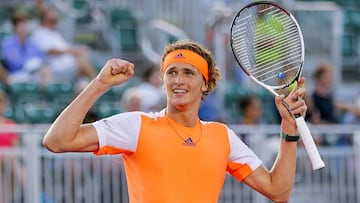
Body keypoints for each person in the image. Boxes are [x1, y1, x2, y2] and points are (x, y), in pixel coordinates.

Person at [43, 40, 307, 203]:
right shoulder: (137, 125)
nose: (178, 80)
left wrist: (288, 128)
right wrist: (100, 84)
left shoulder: (222, 136)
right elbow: (57, 141)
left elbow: (278, 191)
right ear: (163, 80)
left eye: (188, 73)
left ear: (206, 84)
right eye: (172, 72)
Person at [31, 6, 96, 83]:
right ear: (44, 19)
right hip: (54, 69)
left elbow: (68, 48)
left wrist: (78, 50)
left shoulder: (55, 33)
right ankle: (101, 85)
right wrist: (72, 51)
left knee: (85, 64)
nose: (55, 19)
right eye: (51, 18)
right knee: (82, 63)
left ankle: (99, 87)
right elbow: (49, 50)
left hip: (68, 67)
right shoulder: (40, 33)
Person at [1, 11, 49, 85]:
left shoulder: (32, 43)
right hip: (16, 75)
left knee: (45, 73)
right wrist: (29, 64)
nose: (24, 27)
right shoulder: (7, 44)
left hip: (34, 75)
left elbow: (42, 59)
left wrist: (39, 66)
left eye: (25, 24)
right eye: (21, 24)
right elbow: (13, 62)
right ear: (15, 27)